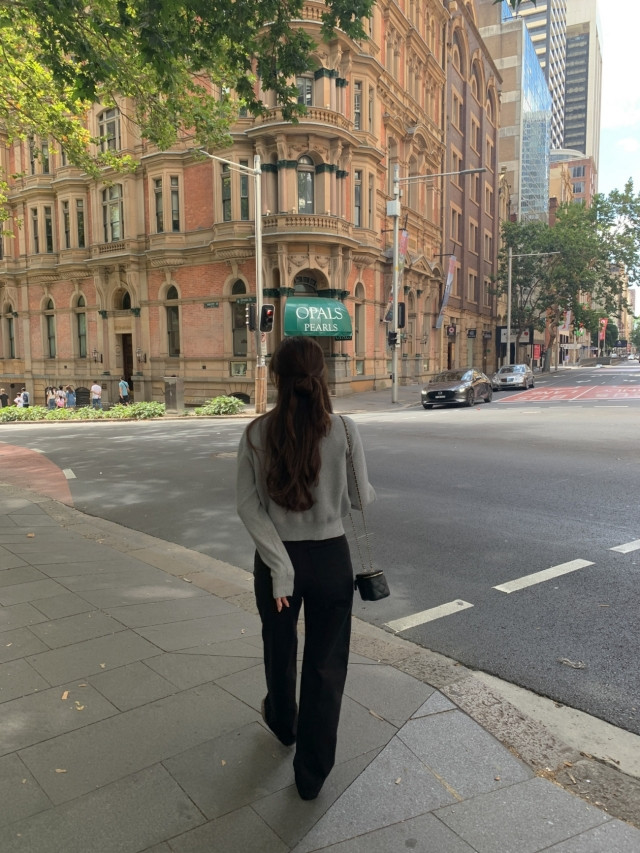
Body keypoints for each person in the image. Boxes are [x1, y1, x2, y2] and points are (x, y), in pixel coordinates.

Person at [236, 336, 376, 801]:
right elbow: (361, 499)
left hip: (277, 563)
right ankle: (311, 776)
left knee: (279, 650)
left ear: (277, 378)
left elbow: (249, 507)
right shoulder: (344, 429)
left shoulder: (256, 434)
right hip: (331, 559)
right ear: (322, 376)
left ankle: (283, 724)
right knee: (326, 664)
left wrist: (280, 567)